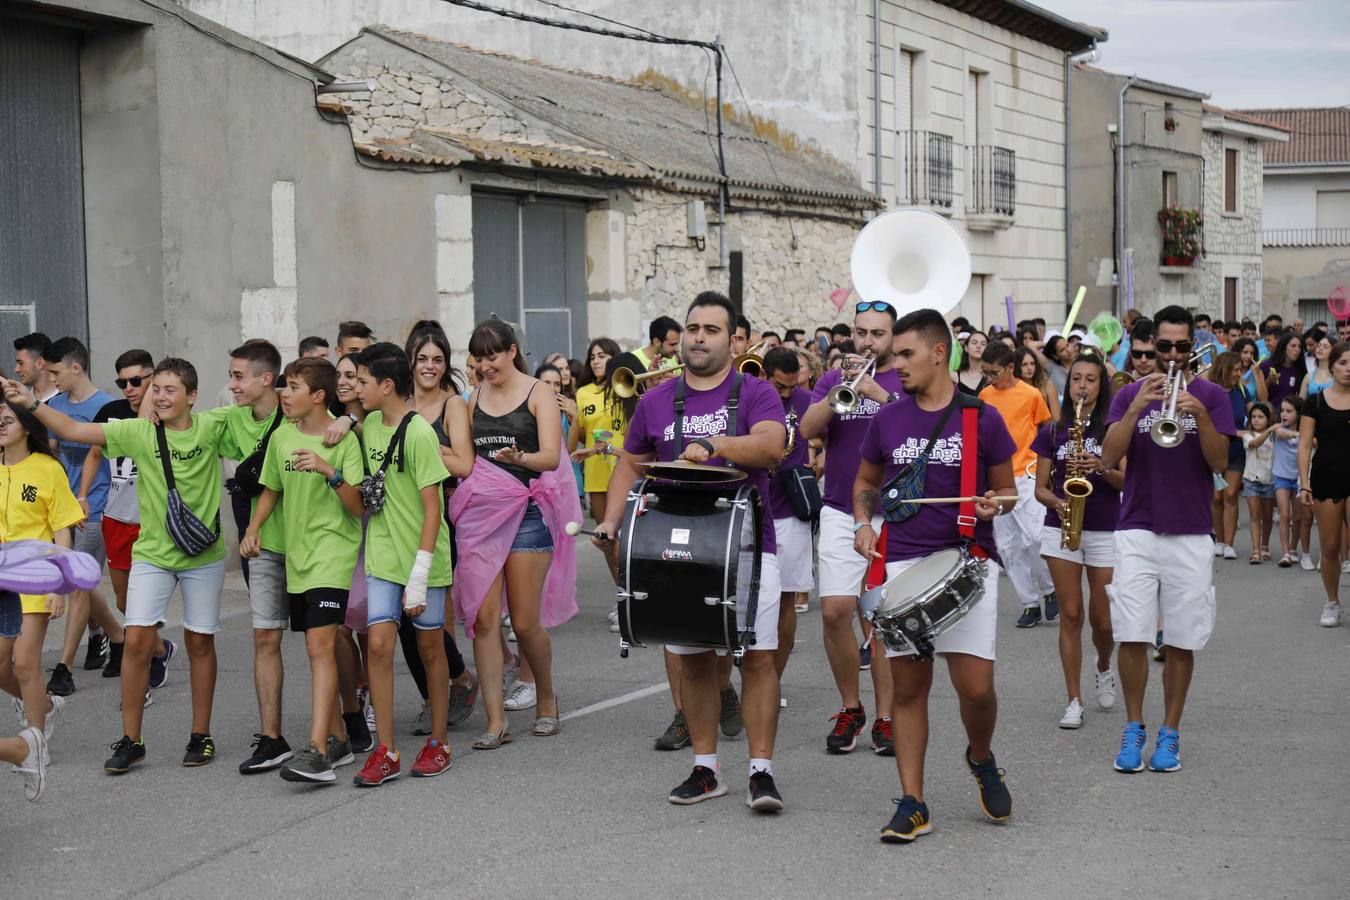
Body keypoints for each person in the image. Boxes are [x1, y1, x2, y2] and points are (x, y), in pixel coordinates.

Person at [596, 291, 786, 811]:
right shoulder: (656, 399)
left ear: (731, 338)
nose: (699, 337)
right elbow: (631, 464)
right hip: (671, 546)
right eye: (693, 328)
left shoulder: (755, 391)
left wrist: (719, 444)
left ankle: (761, 771)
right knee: (694, 661)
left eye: (712, 329)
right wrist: (611, 522)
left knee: (758, 659)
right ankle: (706, 768)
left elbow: (772, 446)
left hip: (747, 548)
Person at [5, 359, 234, 772]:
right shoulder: (138, 431)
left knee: (201, 643)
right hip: (152, 555)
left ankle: (201, 735)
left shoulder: (214, 426)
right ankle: (131, 739)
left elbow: (263, 419)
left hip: (204, 556)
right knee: (137, 640)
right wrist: (31, 404)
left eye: (169, 390)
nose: (160, 396)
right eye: (156, 389)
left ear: (192, 396)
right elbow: (74, 431)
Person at [852, 308, 1016, 842]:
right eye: (893, 354)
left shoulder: (981, 418)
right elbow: (866, 482)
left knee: (976, 690)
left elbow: (1007, 492)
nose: (894, 363)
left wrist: (996, 506)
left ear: (938, 353)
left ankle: (981, 754)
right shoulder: (888, 418)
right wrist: (863, 522)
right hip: (903, 564)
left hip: (967, 559)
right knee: (909, 687)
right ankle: (913, 802)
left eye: (905, 354)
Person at [1100, 305, 1235, 774]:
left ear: (1192, 346)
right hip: (1136, 526)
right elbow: (1106, 459)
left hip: (1192, 530)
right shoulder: (1130, 394)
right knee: (1132, 635)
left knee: (1181, 639)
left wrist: (1202, 417)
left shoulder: (1213, 395)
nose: (1174, 355)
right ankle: (1133, 726)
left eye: (1182, 346)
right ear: (1151, 347)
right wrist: (1136, 407)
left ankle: (1170, 732)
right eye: (1165, 346)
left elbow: (1220, 464)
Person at [240, 357, 370, 782]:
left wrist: (329, 471)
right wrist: (253, 529)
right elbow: (270, 490)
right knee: (322, 648)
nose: (283, 393)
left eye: (292, 386)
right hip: (298, 558)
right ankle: (337, 739)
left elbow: (356, 506)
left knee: (319, 648)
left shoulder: (343, 440)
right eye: (284, 386)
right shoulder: (280, 438)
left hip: (332, 555)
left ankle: (317, 751)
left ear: (318, 396)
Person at [458, 319, 572, 748]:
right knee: (483, 620)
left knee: (523, 624)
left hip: (526, 513)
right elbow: (466, 457)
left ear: (510, 351)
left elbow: (552, 456)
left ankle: (546, 699)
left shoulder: (538, 392)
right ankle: (495, 720)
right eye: (479, 358)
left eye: (492, 356)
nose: (485, 366)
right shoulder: (472, 400)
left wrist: (519, 456)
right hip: (480, 517)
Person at [799, 300, 905, 756]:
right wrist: (836, 392)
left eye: (877, 334)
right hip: (841, 507)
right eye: (861, 333)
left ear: (892, 338)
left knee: (883, 618)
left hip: (893, 512)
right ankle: (851, 707)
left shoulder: (904, 378)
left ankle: (886, 716)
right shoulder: (833, 378)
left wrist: (880, 396)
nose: (867, 342)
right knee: (835, 611)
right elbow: (806, 430)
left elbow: (918, 430)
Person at [349, 343, 455, 785]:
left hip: (422, 560)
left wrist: (419, 575)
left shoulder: (420, 433)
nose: (354, 388)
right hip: (381, 557)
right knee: (378, 646)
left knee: (431, 648)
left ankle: (439, 742)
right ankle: (386, 750)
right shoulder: (369, 423)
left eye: (362, 381)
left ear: (386, 385)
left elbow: (434, 510)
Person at [216, 340, 299, 774]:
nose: (230, 384)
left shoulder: (298, 410)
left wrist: (343, 419)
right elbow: (182, 426)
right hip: (261, 546)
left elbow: (348, 417)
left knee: (333, 639)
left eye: (237, 375)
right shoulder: (230, 420)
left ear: (267, 379)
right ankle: (272, 737)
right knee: (265, 636)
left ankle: (345, 727)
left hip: (311, 547)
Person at [1032, 353, 1121, 729]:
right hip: (1062, 525)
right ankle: (1073, 700)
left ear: (1102, 387)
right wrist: (1058, 501)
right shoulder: (1053, 430)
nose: (1082, 386)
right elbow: (1039, 489)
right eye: (1076, 380)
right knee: (1071, 615)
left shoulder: (1113, 431)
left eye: (1091, 380)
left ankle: (1103, 666)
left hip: (1104, 527)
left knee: (1103, 621)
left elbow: (1127, 482)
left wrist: (1100, 466)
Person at [39, 337, 124, 697]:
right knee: (83, 584)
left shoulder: (107, 405)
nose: (53, 378)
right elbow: (52, 454)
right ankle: (118, 636)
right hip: (60, 511)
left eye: (56, 371)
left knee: (77, 585)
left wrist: (86, 496)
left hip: (95, 508)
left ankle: (64, 667)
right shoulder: (54, 406)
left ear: (76, 367)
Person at [405, 325, 479, 732]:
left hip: (441, 512)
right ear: (409, 361)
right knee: (405, 619)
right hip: (398, 515)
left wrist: (424, 445)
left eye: (437, 359)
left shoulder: (452, 406)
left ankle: (454, 686)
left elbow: (465, 465)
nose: (430, 367)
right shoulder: (397, 400)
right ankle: (436, 692)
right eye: (422, 359)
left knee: (436, 616)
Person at [0, 401, 81, 765]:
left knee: (25, 664)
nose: (1, 425)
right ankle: (45, 706)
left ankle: (34, 745)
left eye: (8, 419)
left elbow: (63, 528)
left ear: (27, 425)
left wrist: (58, 585)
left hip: (35, 578)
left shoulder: (48, 469)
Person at [79, 350, 155, 681]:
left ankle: (148, 659)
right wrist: (82, 496)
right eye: (122, 382)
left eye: (136, 381)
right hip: (116, 518)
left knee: (147, 598)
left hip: (154, 520)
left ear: (153, 378)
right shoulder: (111, 413)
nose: (129, 388)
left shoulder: (166, 412)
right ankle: (160, 649)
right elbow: (94, 454)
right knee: (124, 600)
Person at [978, 342, 1056, 627]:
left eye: (993, 372)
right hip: (996, 480)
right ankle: (1029, 603)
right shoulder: (985, 396)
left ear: (1010, 368)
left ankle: (1048, 589)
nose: (988, 378)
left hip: (1026, 473)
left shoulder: (1032, 394)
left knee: (1035, 538)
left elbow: (1046, 428)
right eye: (985, 372)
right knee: (1009, 547)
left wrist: (1046, 467)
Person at [761, 347, 814, 682]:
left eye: (791, 387)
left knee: (785, 600)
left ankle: (771, 681)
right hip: (753, 507)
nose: (786, 394)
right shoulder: (750, 396)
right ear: (764, 377)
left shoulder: (805, 400)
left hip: (791, 510)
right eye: (779, 386)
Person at [1299, 341, 1350, 628]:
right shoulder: (1316, 400)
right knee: (1330, 547)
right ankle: (1332, 601)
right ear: (1332, 367)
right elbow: (1305, 444)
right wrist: (1304, 484)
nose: (1348, 369)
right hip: (1326, 477)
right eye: (1343, 363)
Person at [572, 338, 625, 575]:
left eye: (602, 356)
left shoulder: (627, 386)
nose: (595, 361)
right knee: (605, 540)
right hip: (596, 472)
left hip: (625, 470)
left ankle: (631, 595)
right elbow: (576, 442)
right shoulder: (583, 393)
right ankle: (621, 595)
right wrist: (574, 415)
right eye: (592, 357)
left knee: (628, 540)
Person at [1207, 352, 1246, 560]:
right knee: (1216, 496)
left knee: (1231, 494)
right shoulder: (1211, 391)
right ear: (1225, 368)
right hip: (1215, 449)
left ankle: (1230, 543)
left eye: (1241, 370)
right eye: (1236, 369)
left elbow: (1257, 410)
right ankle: (1219, 540)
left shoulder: (1241, 390)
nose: (1239, 374)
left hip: (1237, 450)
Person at [1271, 397, 1308, 568]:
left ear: (1298, 414)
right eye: (1282, 410)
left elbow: (1314, 442)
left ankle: (1293, 549)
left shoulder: (1306, 430)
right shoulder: (1279, 428)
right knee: (1284, 515)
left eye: (1289, 411)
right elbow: (1282, 434)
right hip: (1281, 477)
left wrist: (1305, 435)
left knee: (1298, 517)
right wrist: (1301, 435)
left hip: (1300, 478)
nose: (1284, 414)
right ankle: (1285, 553)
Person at [1241, 402, 1276, 564]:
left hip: (1270, 480)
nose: (1256, 420)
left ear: (1268, 419)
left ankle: (1265, 546)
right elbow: (1254, 444)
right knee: (1255, 517)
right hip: (1251, 480)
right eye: (1253, 416)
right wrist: (1269, 430)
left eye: (1261, 417)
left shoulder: (1275, 436)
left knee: (1267, 517)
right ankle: (1255, 550)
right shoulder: (1247, 436)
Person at [1014, 346, 1061, 422]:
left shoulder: (1047, 384)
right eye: (1024, 364)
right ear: (1016, 366)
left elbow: (1057, 419)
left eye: (1032, 363)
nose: (1029, 368)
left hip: (1046, 429)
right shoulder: (1012, 387)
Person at [12, 334, 57, 402]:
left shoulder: (68, 401)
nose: (16, 369)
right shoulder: (21, 404)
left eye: (21, 363)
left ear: (40, 363)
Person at [954, 330, 988, 395]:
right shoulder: (953, 376)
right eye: (974, 343)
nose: (978, 346)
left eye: (983, 344)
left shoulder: (992, 378)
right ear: (966, 348)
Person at [1301, 334, 1334, 398]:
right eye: (1319, 346)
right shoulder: (1308, 377)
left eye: (1325, 347)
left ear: (1334, 351)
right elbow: (1301, 403)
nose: (1320, 348)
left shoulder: (1338, 375)